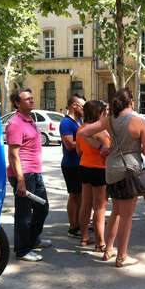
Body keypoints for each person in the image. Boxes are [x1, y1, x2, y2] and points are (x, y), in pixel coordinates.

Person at [80, 89, 145, 267]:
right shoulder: (140, 121)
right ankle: (122, 256)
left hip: (111, 169)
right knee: (126, 216)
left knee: (116, 211)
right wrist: (137, 149)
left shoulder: (110, 119)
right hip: (129, 170)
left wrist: (101, 147)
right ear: (132, 102)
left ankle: (109, 248)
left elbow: (83, 133)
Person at [6, 88, 51, 262]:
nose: (32, 101)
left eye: (32, 98)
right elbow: (13, 155)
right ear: (17, 103)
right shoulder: (15, 124)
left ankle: (33, 240)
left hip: (35, 172)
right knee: (24, 214)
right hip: (23, 175)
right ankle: (22, 250)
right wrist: (21, 181)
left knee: (42, 208)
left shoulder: (29, 119)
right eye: (27, 99)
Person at [76, 100, 110, 249]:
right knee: (100, 207)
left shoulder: (81, 129)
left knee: (86, 204)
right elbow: (108, 152)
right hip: (99, 169)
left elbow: (78, 151)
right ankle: (100, 242)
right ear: (100, 113)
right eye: (104, 111)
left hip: (84, 166)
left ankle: (84, 238)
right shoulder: (100, 131)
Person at [60, 94, 85, 238]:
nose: (84, 109)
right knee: (74, 196)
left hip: (80, 164)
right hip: (70, 165)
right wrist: (87, 141)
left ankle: (80, 224)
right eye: (82, 106)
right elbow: (69, 145)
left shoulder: (79, 120)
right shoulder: (66, 123)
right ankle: (73, 227)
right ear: (73, 106)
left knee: (81, 196)